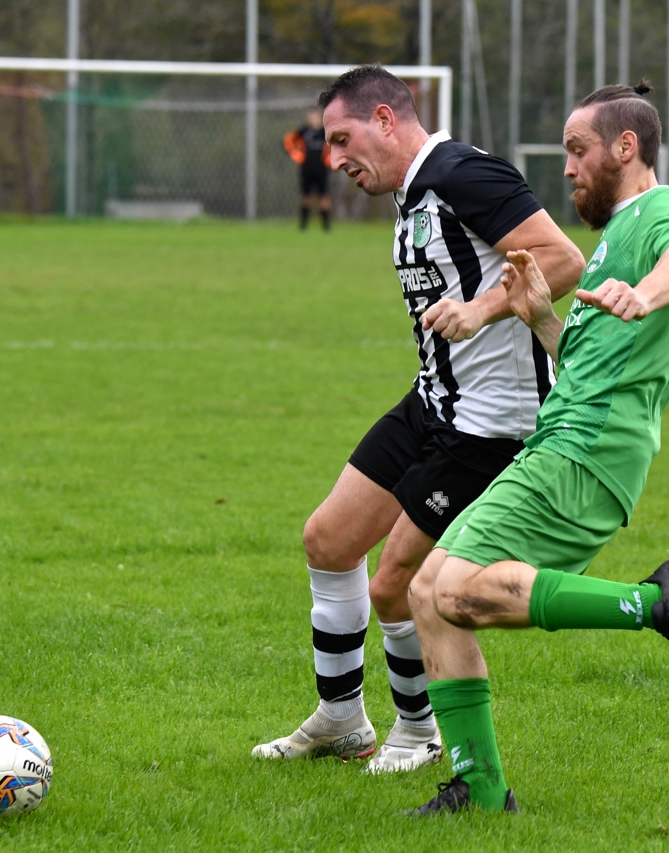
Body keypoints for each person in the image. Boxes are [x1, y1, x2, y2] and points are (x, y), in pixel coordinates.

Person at [405, 81, 669, 815]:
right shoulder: (612, 240)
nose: (567, 167)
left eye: (578, 150)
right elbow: (589, 366)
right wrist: (540, 319)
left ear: (626, 147)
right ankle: (480, 790)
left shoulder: (661, 209)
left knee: (457, 590)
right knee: (428, 593)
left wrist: (648, 293)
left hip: (586, 452)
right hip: (564, 439)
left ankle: (656, 604)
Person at [251, 65, 586, 774]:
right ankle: (342, 719)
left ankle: (418, 730)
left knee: (394, 581)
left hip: (492, 423)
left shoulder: (463, 173)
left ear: (384, 119)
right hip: (433, 401)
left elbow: (562, 258)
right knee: (328, 539)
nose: (334, 159)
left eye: (342, 139)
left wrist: (481, 310)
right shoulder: (411, 194)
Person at [283, 108, 332, 231]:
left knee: (323, 195)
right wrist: (297, 155)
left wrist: (329, 159)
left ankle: (326, 225)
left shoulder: (325, 132)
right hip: (306, 168)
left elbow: (335, 145)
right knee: (306, 196)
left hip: (321, 168)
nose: (313, 118)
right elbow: (287, 140)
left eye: (315, 116)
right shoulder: (303, 131)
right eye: (311, 116)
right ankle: (303, 224)